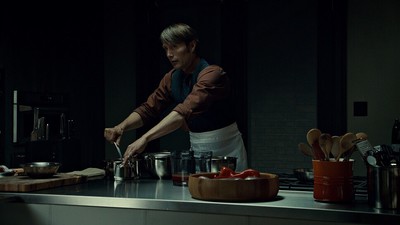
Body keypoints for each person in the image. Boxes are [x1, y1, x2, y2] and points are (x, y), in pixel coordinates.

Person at [104, 23, 248, 171]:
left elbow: (182, 113)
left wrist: (145, 138)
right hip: (198, 148)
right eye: (165, 48)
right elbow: (149, 109)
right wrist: (120, 127)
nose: (169, 54)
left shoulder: (213, 74)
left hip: (227, 150)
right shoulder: (172, 78)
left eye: (174, 47)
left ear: (192, 46)